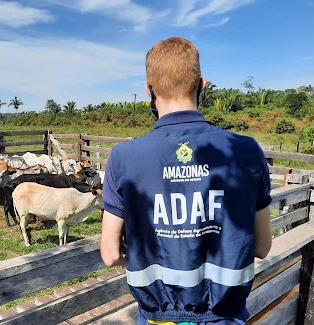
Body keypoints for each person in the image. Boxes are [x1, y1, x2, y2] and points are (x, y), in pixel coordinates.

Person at [100, 36, 272, 325]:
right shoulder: (247, 151)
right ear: (202, 85)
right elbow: (262, 247)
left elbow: (109, 254)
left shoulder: (123, 158)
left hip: (157, 318)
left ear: (149, 91)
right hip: (226, 317)